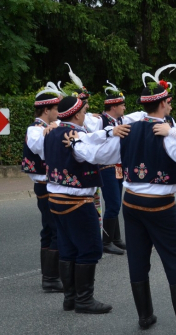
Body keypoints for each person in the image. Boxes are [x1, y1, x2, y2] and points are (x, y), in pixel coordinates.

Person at [68, 66, 176, 333]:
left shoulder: (127, 129)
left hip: (131, 203)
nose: (171, 105)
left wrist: (75, 144)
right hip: (160, 205)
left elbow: (98, 156)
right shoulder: (165, 130)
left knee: (138, 259)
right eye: (169, 101)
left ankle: (145, 316)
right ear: (161, 104)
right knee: (173, 258)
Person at [45, 89, 123, 314]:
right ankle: (84, 299)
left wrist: (109, 131)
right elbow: (96, 155)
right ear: (77, 115)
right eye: (85, 111)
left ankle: (70, 298)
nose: (87, 113)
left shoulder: (52, 132)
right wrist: (122, 142)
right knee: (90, 247)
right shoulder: (75, 136)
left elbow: (87, 138)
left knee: (68, 248)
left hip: (56, 199)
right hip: (76, 201)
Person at [23, 82, 65, 293]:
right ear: (46, 110)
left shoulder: (46, 128)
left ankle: (50, 276)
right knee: (55, 229)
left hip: (49, 185)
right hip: (44, 186)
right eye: (56, 109)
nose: (58, 113)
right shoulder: (35, 130)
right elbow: (41, 149)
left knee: (50, 229)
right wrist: (51, 132)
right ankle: (50, 278)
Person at [97, 81, 128, 255]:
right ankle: (106, 241)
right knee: (113, 204)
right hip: (106, 166)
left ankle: (116, 239)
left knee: (115, 204)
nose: (124, 107)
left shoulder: (121, 120)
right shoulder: (100, 121)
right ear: (114, 106)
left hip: (118, 167)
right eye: (122, 104)